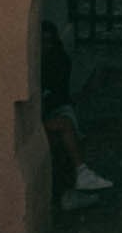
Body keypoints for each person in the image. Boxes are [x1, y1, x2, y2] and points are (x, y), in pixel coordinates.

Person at [39, 15, 108, 209]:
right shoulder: (35, 63)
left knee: (70, 132)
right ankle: (77, 179)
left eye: (48, 42)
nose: (45, 46)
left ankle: (73, 185)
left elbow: (57, 94)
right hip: (45, 115)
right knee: (67, 131)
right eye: (41, 42)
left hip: (53, 109)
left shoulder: (58, 61)